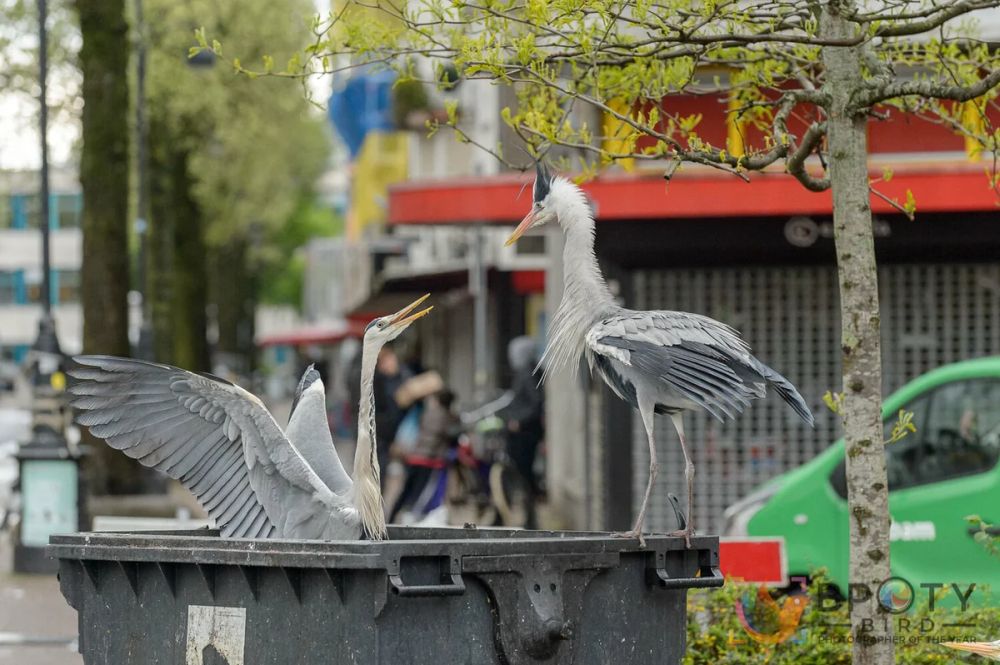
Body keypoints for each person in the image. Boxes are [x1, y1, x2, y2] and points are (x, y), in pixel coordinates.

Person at [388, 389, 459, 522]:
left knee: (406, 490)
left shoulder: (427, 413)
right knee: (423, 492)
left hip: (415, 457)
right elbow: (452, 434)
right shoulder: (448, 417)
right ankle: (411, 517)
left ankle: (392, 516)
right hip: (430, 461)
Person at [499, 336, 545, 529]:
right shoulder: (526, 372)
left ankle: (529, 517)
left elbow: (535, 403)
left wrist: (518, 421)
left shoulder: (528, 373)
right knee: (522, 474)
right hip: (524, 432)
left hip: (525, 434)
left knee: (523, 474)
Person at [372, 346, 412, 490]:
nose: (390, 364)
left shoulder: (403, 374)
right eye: (385, 362)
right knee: (381, 465)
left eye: (391, 360)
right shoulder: (378, 381)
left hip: (403, 427)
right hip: (384, 430)